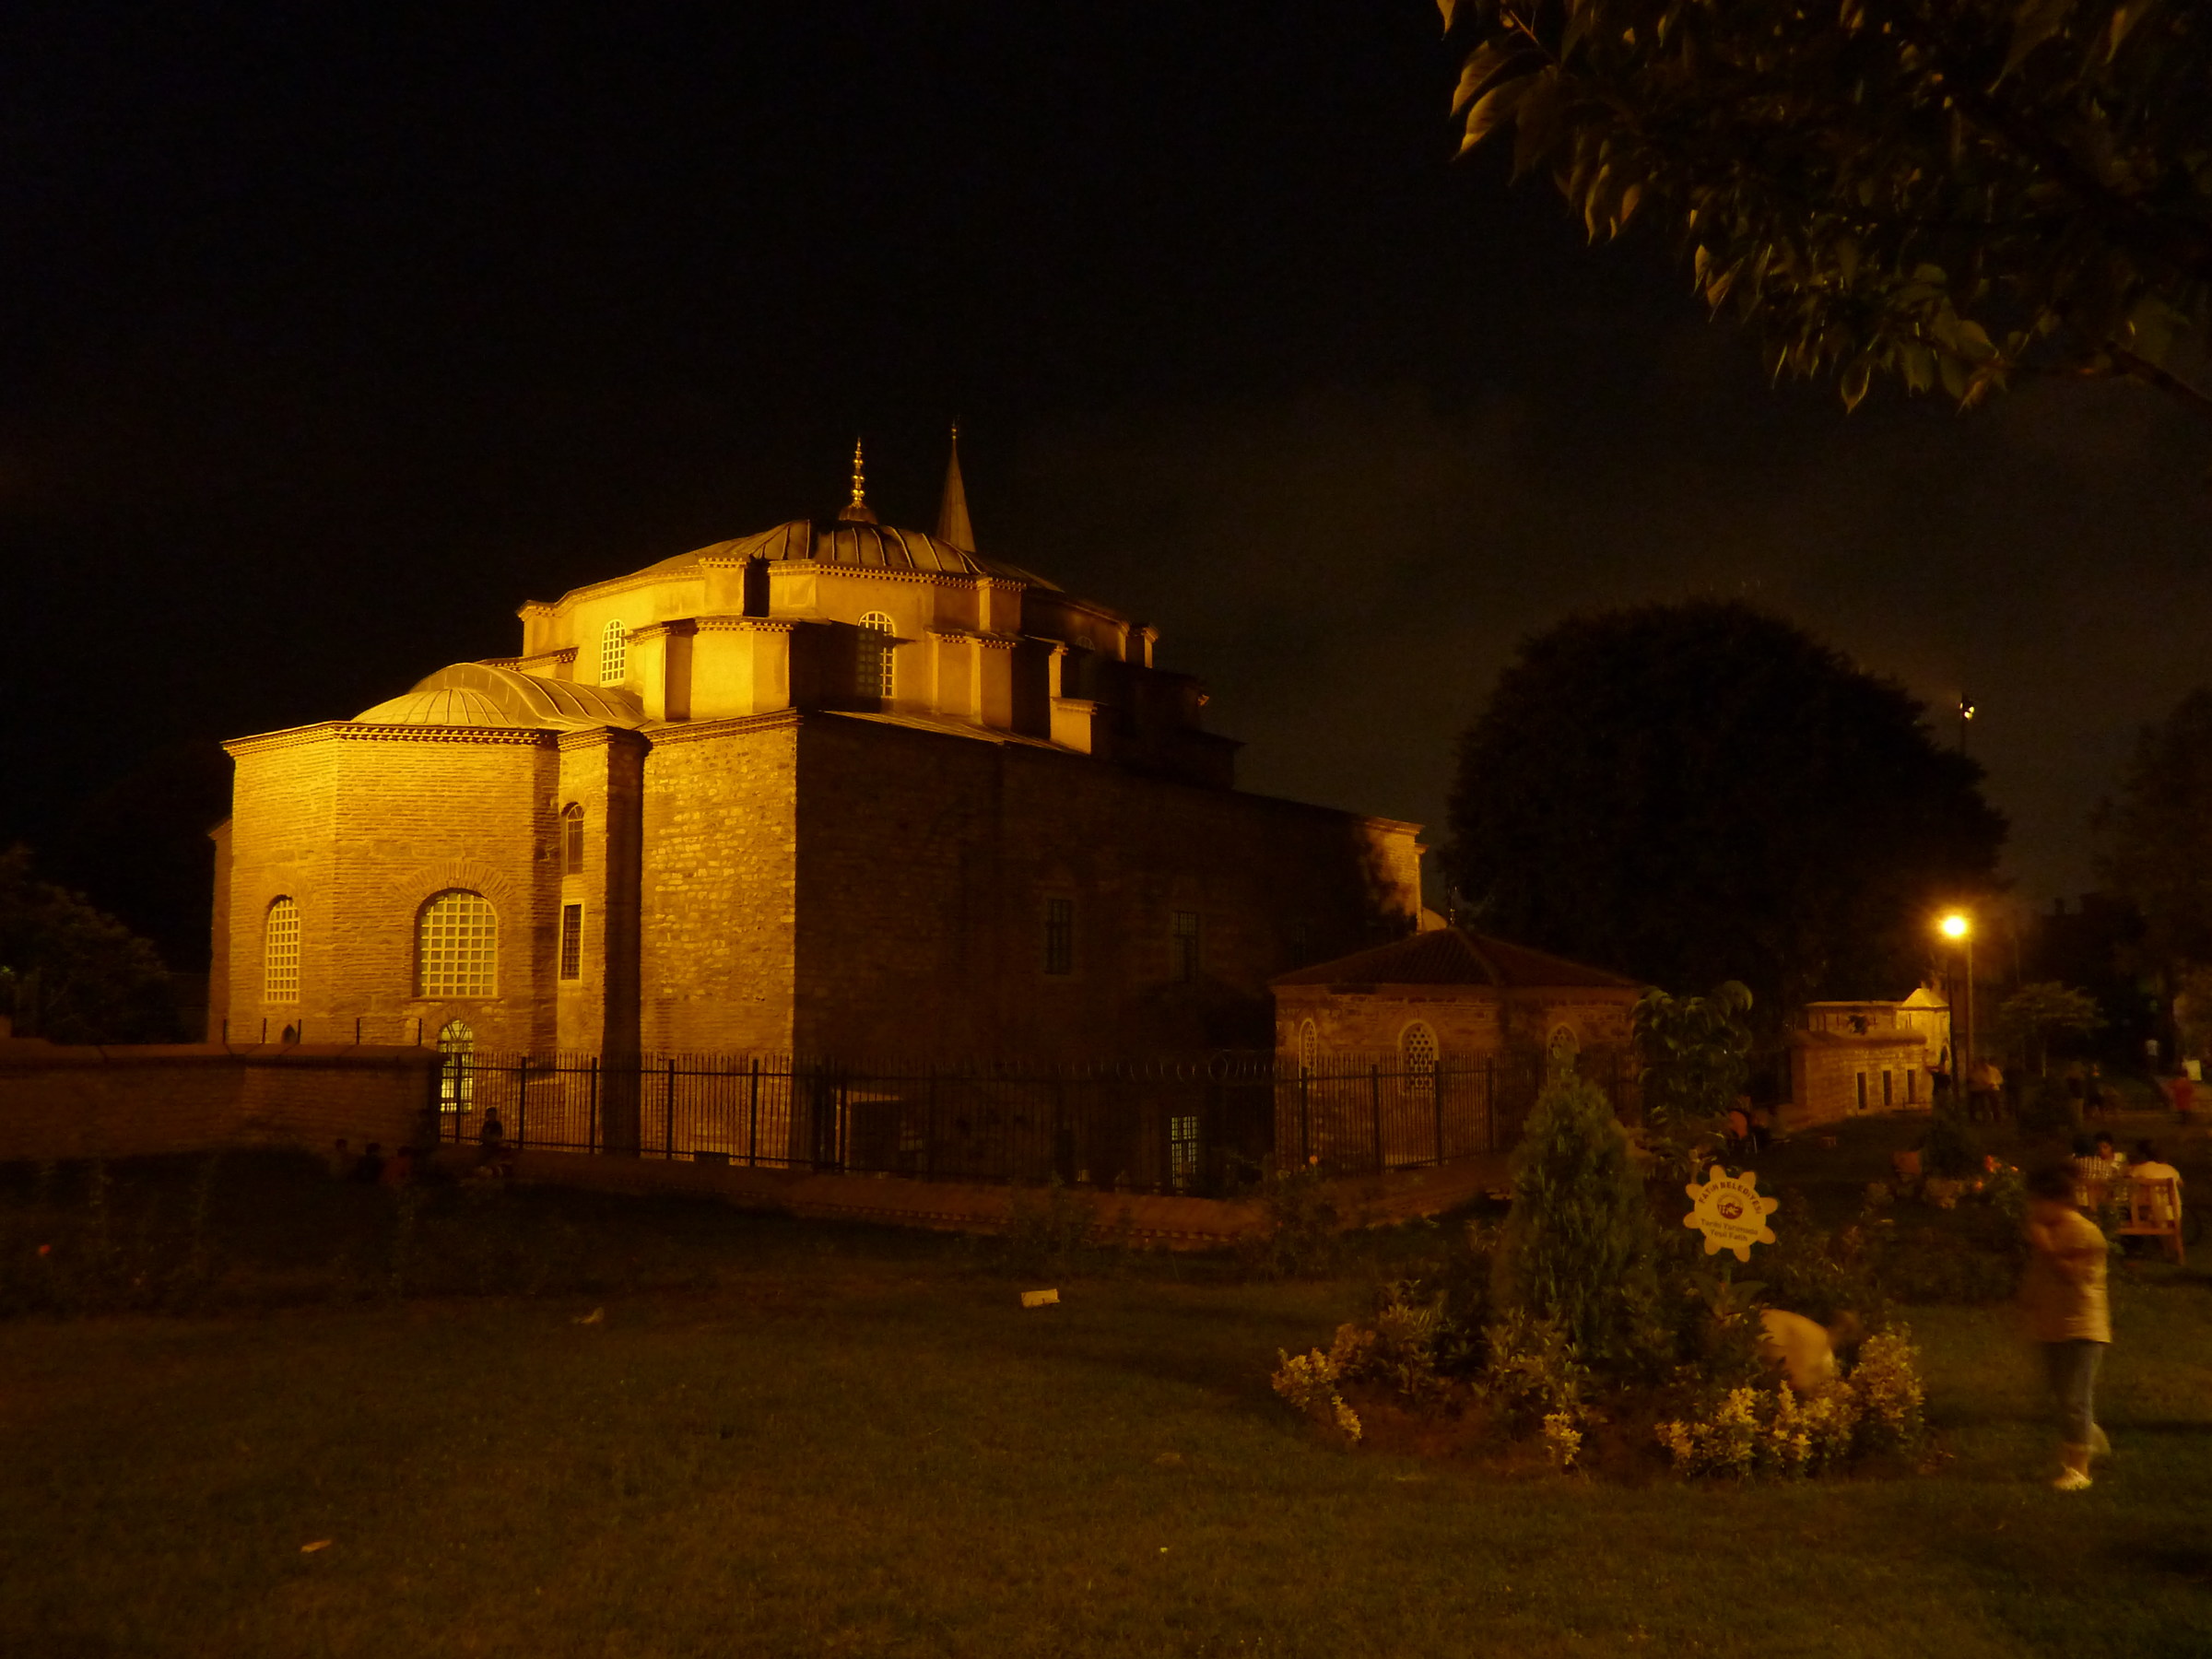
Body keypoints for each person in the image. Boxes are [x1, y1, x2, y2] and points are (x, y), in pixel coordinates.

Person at [2020, 1164, 2112, 1489]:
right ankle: (2089, 1438)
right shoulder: (2047, 1229)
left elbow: (2078, 1276)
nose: (2033, 1210)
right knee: (2063, 1398)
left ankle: (2079, 1470)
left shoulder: (2083, 1232)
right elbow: (2038, 1277)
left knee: (2074, 1399)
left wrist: (2048, 1249)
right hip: (2053, 1326)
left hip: (2082, 1329)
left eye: (2038, 1202)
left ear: (2058, 1200)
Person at [2128, 1139, 2184, 1259]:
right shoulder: (2170, 1169)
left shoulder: (2139, 1169)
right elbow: (2181, 1184)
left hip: (2150, 1213)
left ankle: (2134, 1248)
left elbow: (2129, 1182)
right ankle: (2172, 1250)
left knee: (2130, 1210)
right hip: (2172, 1212)